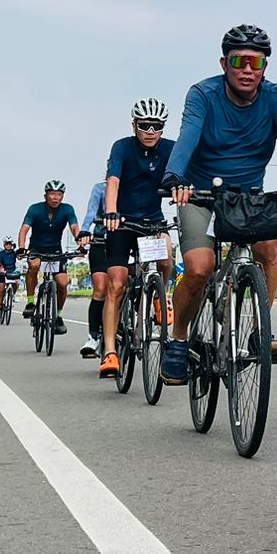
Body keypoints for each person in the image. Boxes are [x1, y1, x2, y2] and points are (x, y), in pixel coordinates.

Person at [160, 25, 277, 384]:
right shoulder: (203, 94)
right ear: (225, 64)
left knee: (268, 250)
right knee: (199, 267)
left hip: (249, 196)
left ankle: (258, 329)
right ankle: (178, 339)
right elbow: (188, 134)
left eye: (256, 62)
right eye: (239, 61)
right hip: (201, 194)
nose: (248, 70)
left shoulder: (276, 96)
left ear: (265, 66)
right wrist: (174, 176)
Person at [99, 99, 175, 379]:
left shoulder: (171, 148)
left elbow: (184, 176)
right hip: (122, 222)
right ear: (134, 126)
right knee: (116, 284)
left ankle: (160, 296)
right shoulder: (122, 147)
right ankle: (110, 351)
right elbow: (113, 182)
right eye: (144, 125)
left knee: (166, 254)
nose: (150, 131)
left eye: (157, 126)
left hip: (153, 220)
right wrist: (111, 212)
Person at [17, 181, 84, 336]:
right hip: (36, 248)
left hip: (55, 250)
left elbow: (74, 227)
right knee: (34, 266)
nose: (55, 197)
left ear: (62, 196)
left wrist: (80, 243)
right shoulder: (35, 209)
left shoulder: (67, 209)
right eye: (52, 194)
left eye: (59, 194)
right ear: (45, 196)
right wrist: (21, 247)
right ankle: (31, 303)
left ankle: (58, 317)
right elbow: (24, 230)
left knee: (62, 283)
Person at [77, 177, 109, 358]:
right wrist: (85, 231)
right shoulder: (100, 188)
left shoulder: (138, 185)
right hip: (102, 241)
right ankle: (94, 336)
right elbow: (91, 213)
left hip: (131, 239)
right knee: (101, 288)